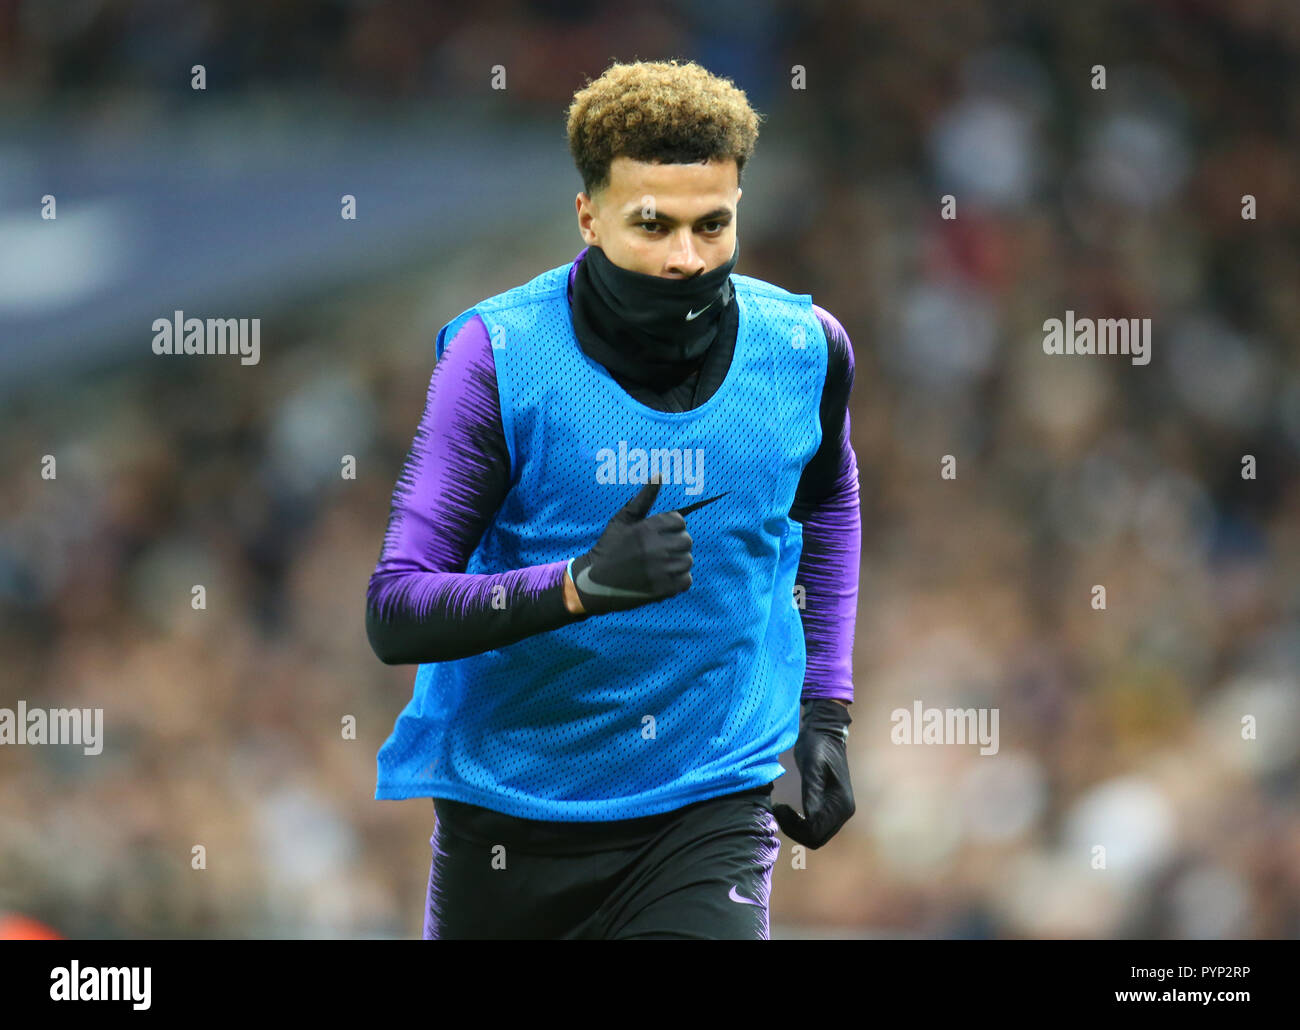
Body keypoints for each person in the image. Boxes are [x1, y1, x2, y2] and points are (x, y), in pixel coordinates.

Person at [366, 58, 861, 940]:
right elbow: (397, 609)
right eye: (653, 225)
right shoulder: (495, 359)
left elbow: (828, 505)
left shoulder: (807, 350)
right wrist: (579, 586)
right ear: (588, 216)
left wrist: (826, 711)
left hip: (707, 808)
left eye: (714, 224)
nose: (686, 257)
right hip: (510, 826)